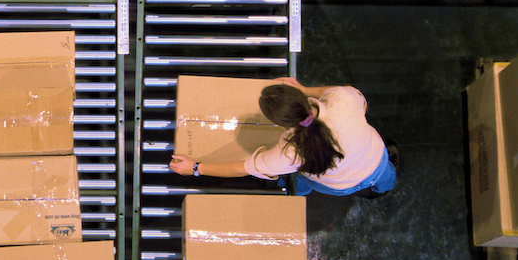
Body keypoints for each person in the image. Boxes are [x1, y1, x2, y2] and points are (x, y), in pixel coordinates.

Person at [169, 77, 399, 197]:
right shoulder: (342, 100)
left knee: (302, 180)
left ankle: (293, 189)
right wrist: (306, 89)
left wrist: (196, 168)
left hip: (342, 184)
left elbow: (242, 167)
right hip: (377, 158)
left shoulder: (290, 152)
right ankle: (383, 189)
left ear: (280, 124)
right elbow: (357, 98)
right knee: (387, 177)